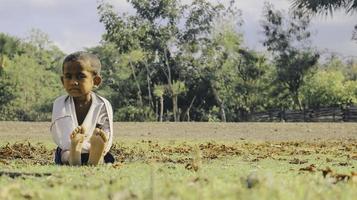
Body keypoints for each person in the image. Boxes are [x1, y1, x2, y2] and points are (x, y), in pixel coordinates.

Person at [50, 51, 114, 166]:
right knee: (65, 152)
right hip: (70, 148)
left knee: (103, 153)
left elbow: (107, 133)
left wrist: (99, 142)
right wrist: (75, 143)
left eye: (80, 77)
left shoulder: (102, 104)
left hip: (94, 149)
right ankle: (73, 157)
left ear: (96, 81)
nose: (73, 82)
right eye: (68, 77)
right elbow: (60, 136)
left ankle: (95, 157)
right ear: (62, 80)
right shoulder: (60, 103)